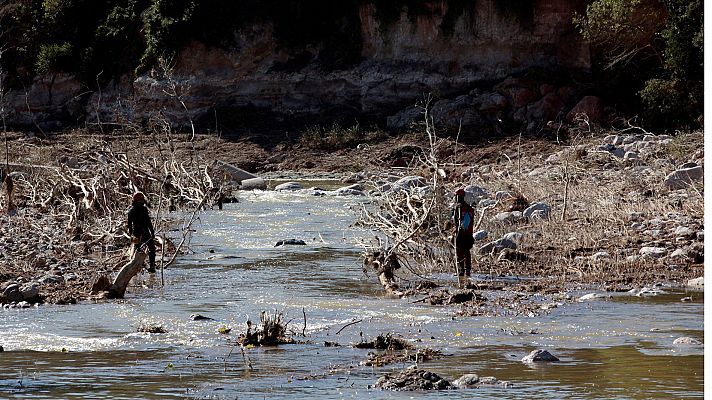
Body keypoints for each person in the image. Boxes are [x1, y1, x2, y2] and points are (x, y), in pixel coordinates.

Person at [127, 191, 156, 273]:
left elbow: (129, 226)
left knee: (137, 250)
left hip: (136, 233)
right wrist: (152, 232)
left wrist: (131, 235)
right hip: (144, 233)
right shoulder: (143, 210)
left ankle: (138, 267)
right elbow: (148, 222)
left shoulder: (131, 211)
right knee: (152, 249)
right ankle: (151, 266)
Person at [452, 188, 475, 285]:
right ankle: (468, 270)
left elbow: (455, 222)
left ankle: (461, 271)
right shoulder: (470, 209)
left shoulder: (457, 208)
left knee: (459, 252)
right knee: (467, 252)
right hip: (469, 234)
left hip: (460, 234)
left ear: (457, 197)